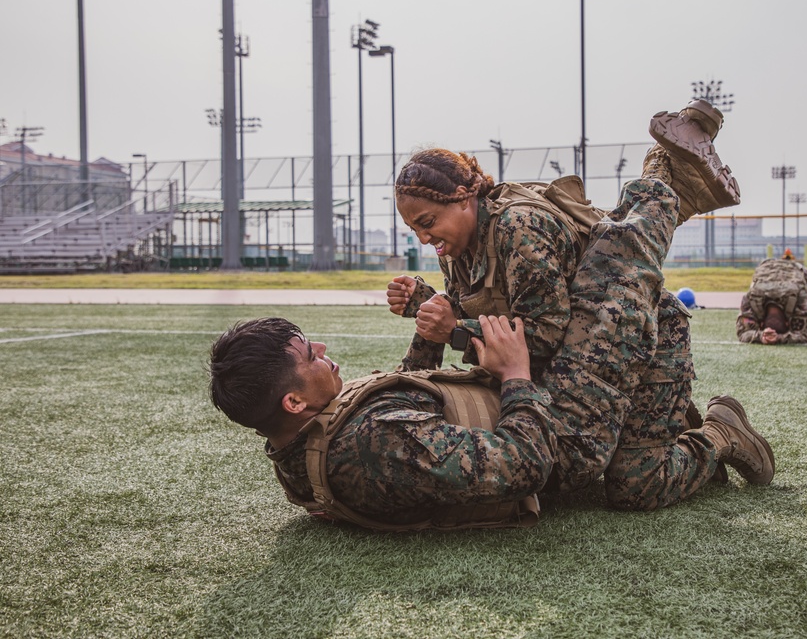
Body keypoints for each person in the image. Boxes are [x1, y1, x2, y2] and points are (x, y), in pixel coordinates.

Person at [209, 105, 773, 530]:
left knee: (615, 266)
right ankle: (669, 172)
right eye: (311, 356)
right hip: (557, 400)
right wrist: (511, 373)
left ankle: (673, 179)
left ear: (465, 201)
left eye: (428, 223)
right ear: (292, 400)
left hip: (553, 358)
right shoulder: (372, 445)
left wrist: (432, 324)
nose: (325, 353)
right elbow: (524, 463)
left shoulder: (311, 437)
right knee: (618, 267)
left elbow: (416, 386)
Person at [386, 98, 740, 380]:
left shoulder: (516, 228)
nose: (423, 238)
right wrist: (428, 304)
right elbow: (486, 305)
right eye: (414, 228)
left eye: (427, 222)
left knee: (636, 226)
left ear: (463, 197)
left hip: (617, 307)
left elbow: (544, 333)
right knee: (633, 222)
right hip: (590, 322)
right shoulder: (456, 243)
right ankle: (687, 152)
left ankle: (676, 157)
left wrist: (453, 331)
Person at [736, 251, 807, 344]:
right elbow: (803, 335)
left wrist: (764, 337)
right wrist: (769, 337)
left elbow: (804, 335)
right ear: (787, 323)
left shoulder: (798, 296)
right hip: (769, 267)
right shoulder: (751, 298)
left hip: (791, 269)